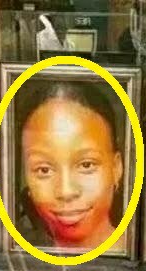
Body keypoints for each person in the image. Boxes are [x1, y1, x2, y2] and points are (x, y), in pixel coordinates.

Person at [17, 82, 124, 250]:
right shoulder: (21, 255)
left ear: (116, 168)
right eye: (44, 170)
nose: (66, 191)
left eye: (86, 165)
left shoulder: (145, 253)